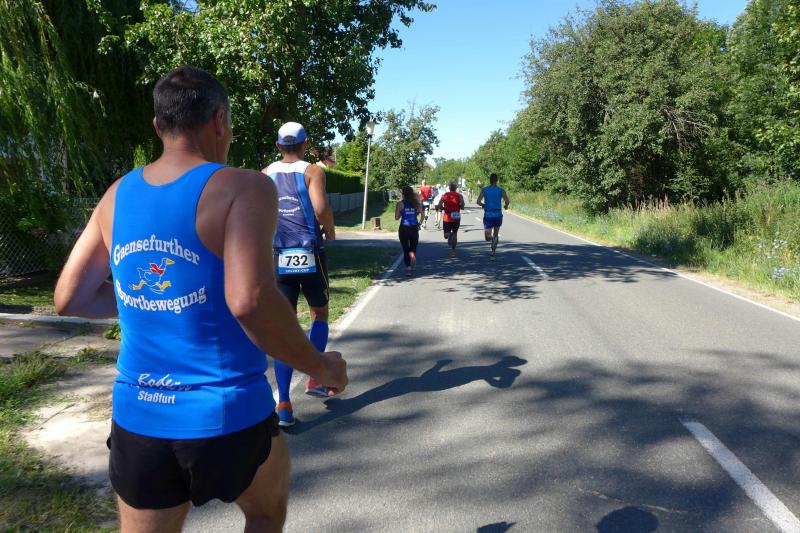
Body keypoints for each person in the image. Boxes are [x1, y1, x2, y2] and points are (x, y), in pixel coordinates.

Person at [53, 65, 347, 532]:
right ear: (219, 120)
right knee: (265, 512)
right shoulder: (244, 186)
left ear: (158, 125)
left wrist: (154, 300)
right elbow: (250, 300)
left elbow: (70, 298)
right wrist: (321, 366)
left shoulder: (116, 195)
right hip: (228, 415)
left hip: (140, 419)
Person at [263, 121, 337, 425]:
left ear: (279, 146)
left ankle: (283, 403)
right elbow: (320, 207)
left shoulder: (265, 173)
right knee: (320, 313)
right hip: (309, 252)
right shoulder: (313, 171)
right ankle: (316, 379)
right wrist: (330, 229)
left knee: (284, 325)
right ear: (305, 144)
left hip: (278, 255)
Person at [476, 173, 510, 259]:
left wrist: (483, 205)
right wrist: (506, 206)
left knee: (488, 237)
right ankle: (494, 247)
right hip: (497, 215)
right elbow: (507, 201)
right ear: (497, 180)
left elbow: (478, 202)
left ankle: (493, 251)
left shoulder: (485, 190)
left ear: (490, 180)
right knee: (495, 234)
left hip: (489, 215)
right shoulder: (501, 190)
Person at [395, 185, 422, 276]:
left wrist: (401, 213)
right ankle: (412, 254)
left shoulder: (400, 204)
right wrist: (419, 223)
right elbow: (422, 214)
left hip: (404, 228)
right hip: (414, 227)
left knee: (405, 249)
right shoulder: (416, 203)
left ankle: (408, 268)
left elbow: (396, 217)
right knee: (413, 247)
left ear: (403, 194)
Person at [437, 181, 465, 257]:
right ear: (455, 188)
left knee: (446, 235)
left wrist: (443, 208)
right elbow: (462, 206)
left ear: (449, 188)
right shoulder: (459, 196)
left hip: (447, 216)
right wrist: (460, 206)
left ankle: (450, 236)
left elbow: (439, 205)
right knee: (454, 234)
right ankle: (453, 251)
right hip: (456, 216)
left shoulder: (445, 195)